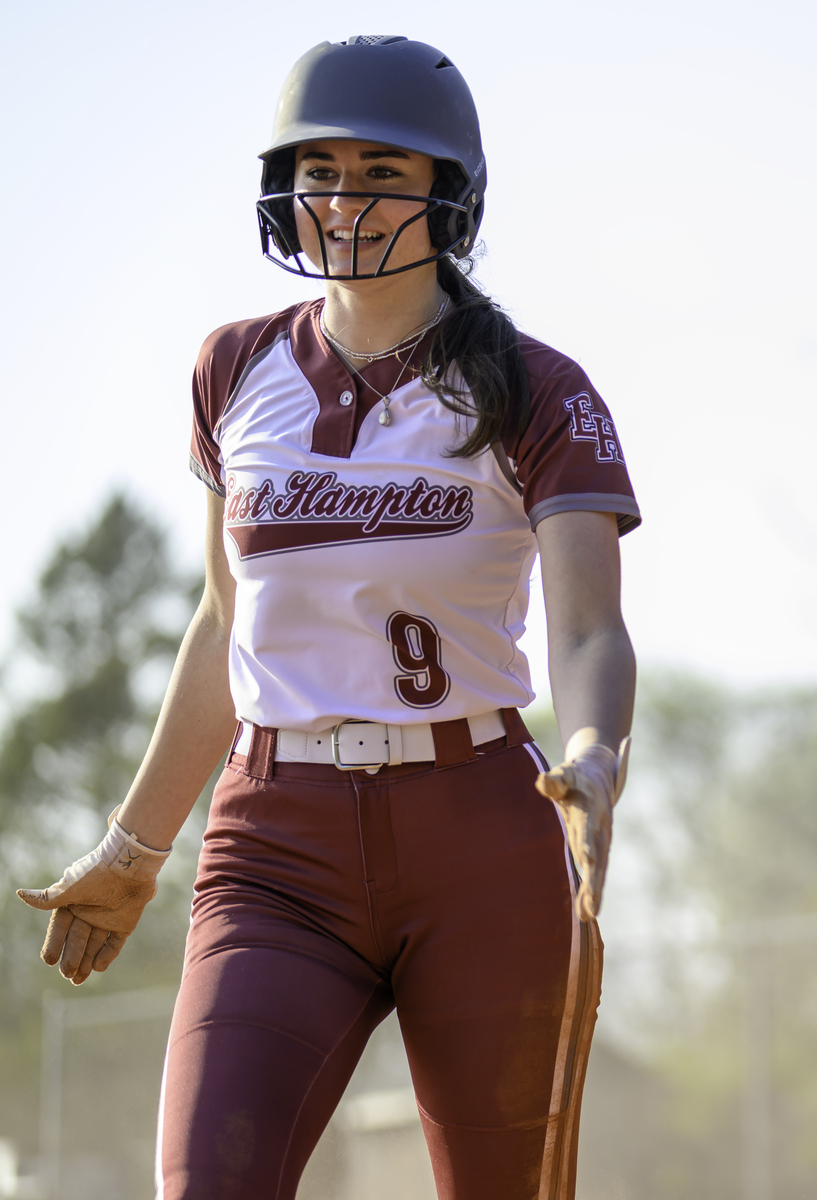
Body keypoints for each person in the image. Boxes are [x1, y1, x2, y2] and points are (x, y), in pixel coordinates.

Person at [16, 36, 637, 1200]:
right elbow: (221, 623)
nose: (343, 198)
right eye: (320, 169)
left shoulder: (536, 384)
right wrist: (134, 846)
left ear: (450, 193)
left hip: (483, 830)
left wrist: (598, 755)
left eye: (381, 171)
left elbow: (592, 628)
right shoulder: (234, 367)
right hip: (277, 838)